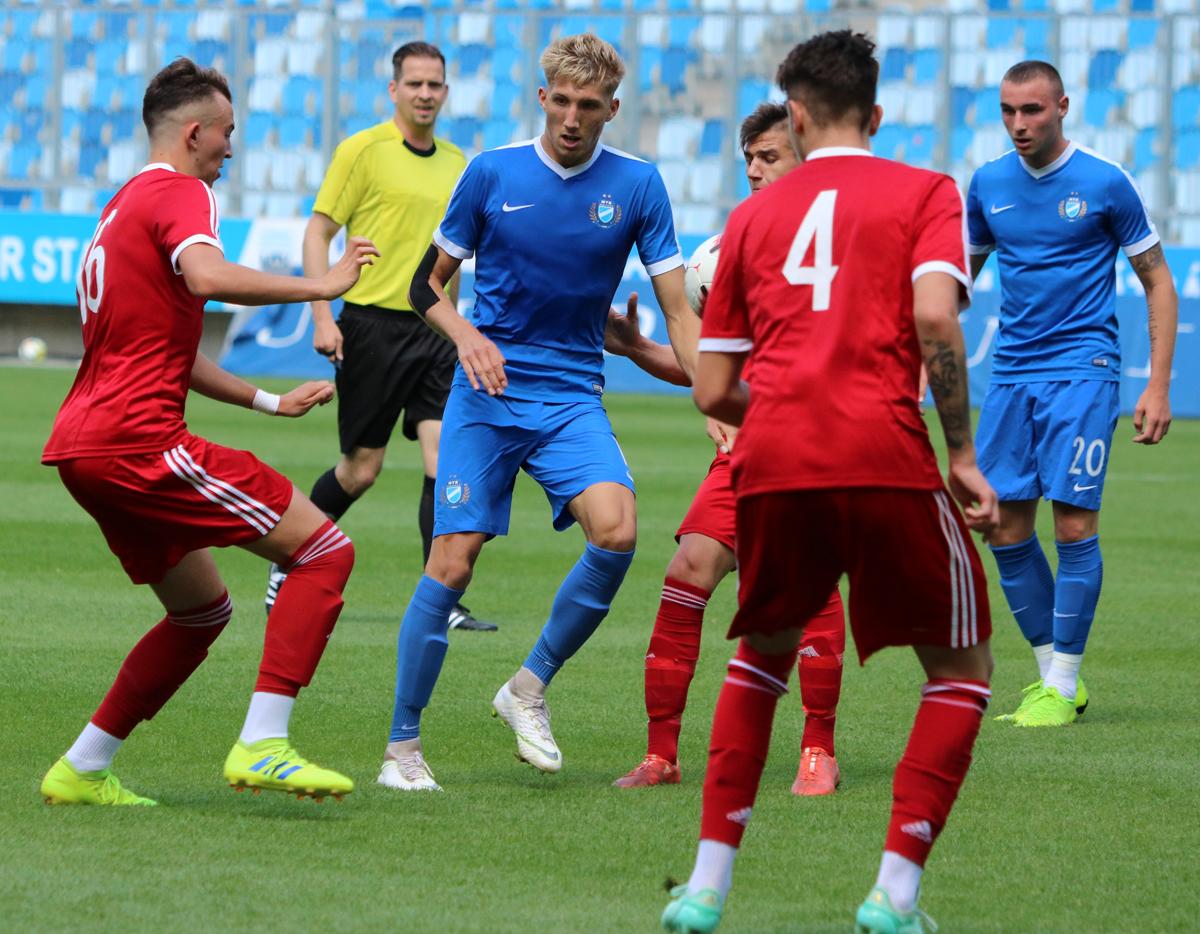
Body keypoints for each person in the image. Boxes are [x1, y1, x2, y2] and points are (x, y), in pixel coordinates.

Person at [659, 31, 999, 934]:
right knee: (962, 667)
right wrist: (962, 453)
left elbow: (713, 388)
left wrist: (784, 397)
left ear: (798, 117)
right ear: (876, 113)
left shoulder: (751, 221)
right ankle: (894, 895)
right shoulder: (927, 192)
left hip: (772, 463)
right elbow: (936, 316)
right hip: (883, 451)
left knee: (758, 656)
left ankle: (706, 887)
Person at [38, 58, 379, 806]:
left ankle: (82, 768)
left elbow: (167, 349)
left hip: (85, 446)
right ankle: (264, 743)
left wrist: (268, 402)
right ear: (194, 133)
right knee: (324, 550)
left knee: (201, 611)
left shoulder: (122, 205)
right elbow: (208, 277)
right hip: (137, 440)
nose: (232, 147)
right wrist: (322, 285)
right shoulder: (183, 192)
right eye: (227, 132)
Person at [379, 33, 699, 792]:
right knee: (452, 561)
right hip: (485, 396)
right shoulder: (492, 173)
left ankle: (528, 686)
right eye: (561, 101)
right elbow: (424, 288)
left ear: (611, 109)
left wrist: (713, 393)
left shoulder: (639, 185)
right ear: (542, 97)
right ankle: (402, 750)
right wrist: (467, 338)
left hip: (571, 396)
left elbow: (679, 312)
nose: (572, 118)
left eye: (589, 105)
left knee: (617, 531)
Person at [605, 102, 846, 797]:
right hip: (743, 453)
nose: (755, 171)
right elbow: (707, 366)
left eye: (770, 157)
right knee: (687, 573)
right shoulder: (726, 250)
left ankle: (818, 750)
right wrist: (638, 348)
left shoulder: (838, 248)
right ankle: (661, 755)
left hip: (815, 446)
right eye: (749, 160)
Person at [967, 60, 1178, 727]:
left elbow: (1158, 281)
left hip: (1083, 370)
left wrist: (1158, 385)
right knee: (1004, 527)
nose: (1018, 124)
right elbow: (957, 280)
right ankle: (1054, 677)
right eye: (1008, 111)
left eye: (1032, 110)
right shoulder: (987, 183)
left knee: (1074, 524)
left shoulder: (1105, 182)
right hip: (1010, 373)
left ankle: (1061, 684)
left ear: (1062, 106)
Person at [263, 42, 493, 632]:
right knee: (361, 469)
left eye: (434, 84)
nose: (425, 94)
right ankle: (287, 560)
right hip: (370, 327)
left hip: (435, 330)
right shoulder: (362, 151)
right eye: (414, 83)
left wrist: (459, 326)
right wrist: (322, 315)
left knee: (444, 460)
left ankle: (440, 600)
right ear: (394, 89)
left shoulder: (459, 163)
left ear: (446, 92)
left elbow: (457, 253)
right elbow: (318, 233)